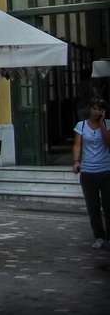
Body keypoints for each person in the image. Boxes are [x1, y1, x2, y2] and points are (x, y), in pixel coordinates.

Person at [74, 97, 110, 249]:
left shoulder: (108, 124)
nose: (97, 111)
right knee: (93, 207)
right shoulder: (81, 126)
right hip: (88, 172)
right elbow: (77, 145)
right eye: (94, 108)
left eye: (100, 109)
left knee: (108, 206)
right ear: (89, 109)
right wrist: (76, 162)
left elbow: (108, 143)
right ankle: (99, 237)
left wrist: (102, 124)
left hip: (106, 171)